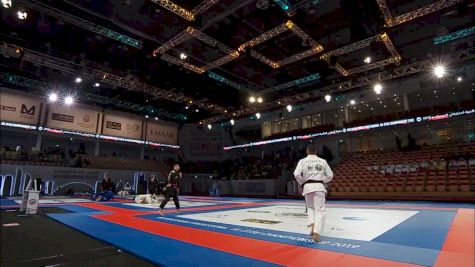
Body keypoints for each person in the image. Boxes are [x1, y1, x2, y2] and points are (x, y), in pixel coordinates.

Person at [294, 145, 333, 243]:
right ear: (316, 151)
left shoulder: (302, 161)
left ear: (307, 151)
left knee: (310, 208)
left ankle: (312, 224)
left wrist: (303, 182)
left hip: (308, 187)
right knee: (320, 210)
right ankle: (317, 232)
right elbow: (330, 175)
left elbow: (296, 174)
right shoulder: (322, 161)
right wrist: (322, 180)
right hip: (319, 187)